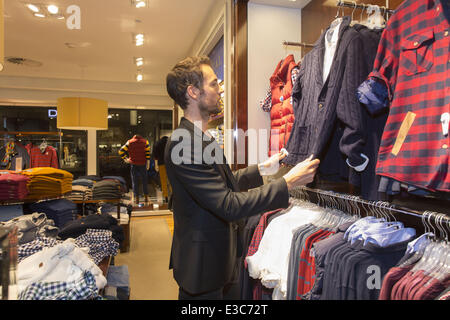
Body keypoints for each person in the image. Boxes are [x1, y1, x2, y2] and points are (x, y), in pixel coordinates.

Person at [165, 56, 320, 300]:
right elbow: (228, 204)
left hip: (219, 260)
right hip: (202, 268)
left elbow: (221, 184)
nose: (220, 91)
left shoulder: (199, 138)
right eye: (214, 84)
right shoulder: (184, 144)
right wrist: (287, 182)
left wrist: (262, 170)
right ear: (193, 92)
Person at [119, 134, 151, 205]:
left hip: (133, 164)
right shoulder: (145, 142)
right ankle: (146, 197)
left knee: (134, 181)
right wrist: (148, 162)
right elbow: (148, 153)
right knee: (144, 180)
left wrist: (125, 159)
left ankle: (136, 198)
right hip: (143, 163)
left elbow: (121, 151)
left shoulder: (129, 142)